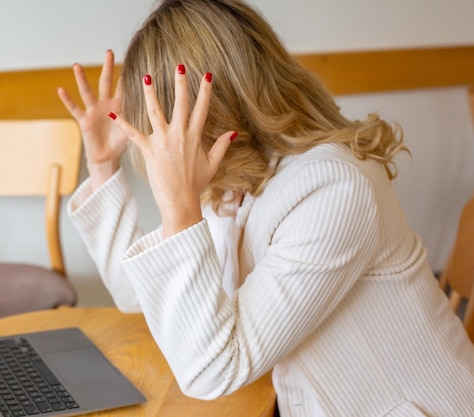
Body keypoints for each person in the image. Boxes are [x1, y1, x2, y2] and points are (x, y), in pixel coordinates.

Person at [58, 0, 474, 415]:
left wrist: (180, 209)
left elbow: (214, 371)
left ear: (209, 113)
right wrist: (102, 165)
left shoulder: (334, 189)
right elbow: (141, 298)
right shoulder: (237, 177)